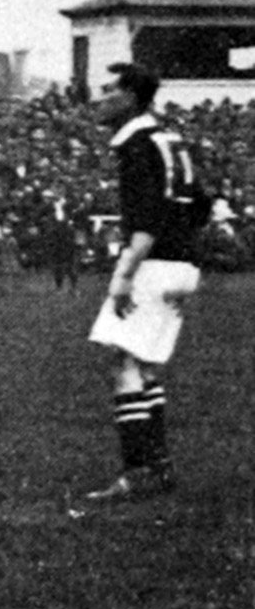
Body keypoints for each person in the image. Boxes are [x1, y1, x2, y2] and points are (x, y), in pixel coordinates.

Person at [76, 63, 210, 510]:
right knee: (144, 364)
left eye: (108, 89)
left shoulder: (135, 146)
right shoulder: (170, 138)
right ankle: (159, 465)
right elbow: (202, 206)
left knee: (122, 364)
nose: (99, 97)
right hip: (183, 264)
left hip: (154, 264)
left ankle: (138, 472)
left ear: (131, 97)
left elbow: (146, 222)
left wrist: (122, 276)